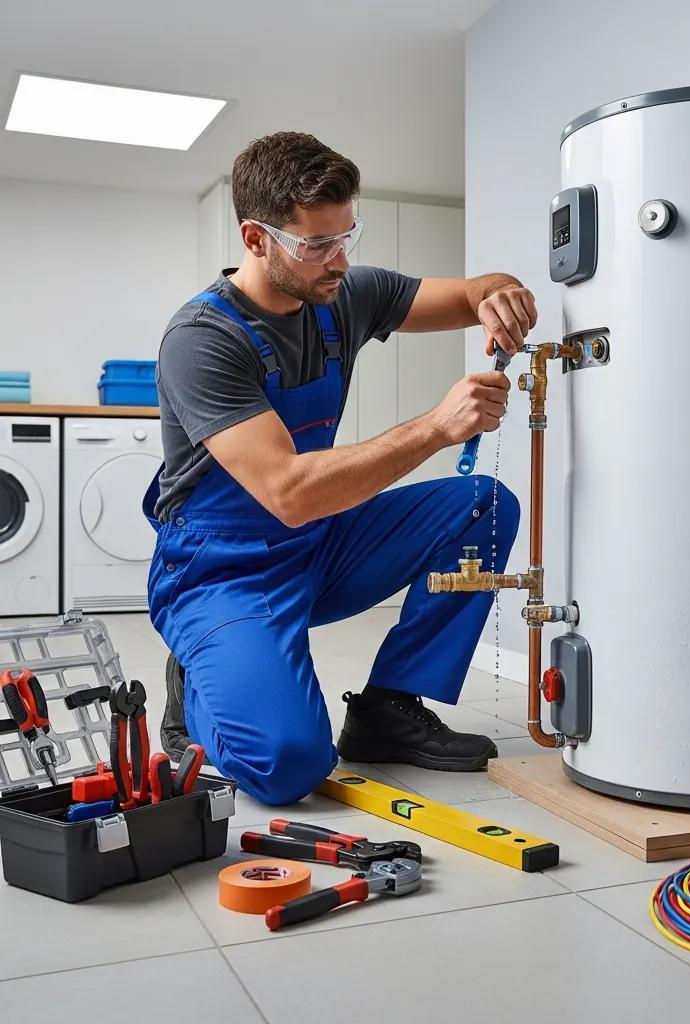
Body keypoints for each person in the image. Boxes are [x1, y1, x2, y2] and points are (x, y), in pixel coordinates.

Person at [143, 131, 537, 804]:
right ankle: (200, 680)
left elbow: (473, 292)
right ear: (256, 238)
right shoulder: (202, 340)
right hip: (224, 569)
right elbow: (288, 492)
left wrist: (501, 293)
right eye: (318, 244)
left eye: (347, 236)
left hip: (319, 544)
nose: (340, 260)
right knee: (288, 765)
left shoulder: (345, 294)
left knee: (484, 504)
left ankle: (388, 709)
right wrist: (437, 427)